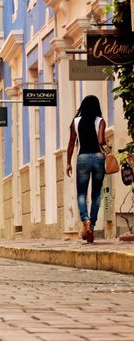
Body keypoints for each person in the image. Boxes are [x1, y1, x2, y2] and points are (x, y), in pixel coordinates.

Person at [66, 95, 106, 244]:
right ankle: (93, 225)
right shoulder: (100, 121)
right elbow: (101, 140)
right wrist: (106, 146)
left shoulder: (76, 122)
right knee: (96, 194)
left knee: (81, 194)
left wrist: (68, 163)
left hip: (82, 158)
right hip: (98, 158)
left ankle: (86, 221)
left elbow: (71, 143)